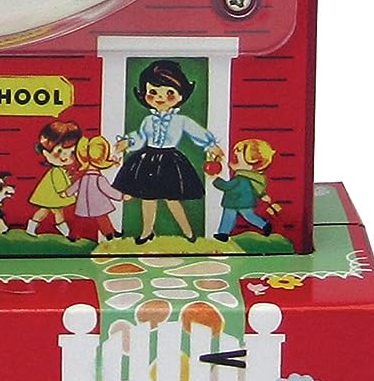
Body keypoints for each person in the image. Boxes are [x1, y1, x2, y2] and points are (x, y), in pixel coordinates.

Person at [113, 60, 223, 244]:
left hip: (170, 161)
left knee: (172, 199)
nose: (160, 98)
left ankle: (188, 231)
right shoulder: (148, 120)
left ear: (180, 95)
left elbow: (196, 132)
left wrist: (211, 145)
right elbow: (140, 136)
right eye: (153, 92)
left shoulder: (181, 120)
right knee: (148, 198)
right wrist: (128, 142)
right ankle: (147, 231)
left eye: (169, 93)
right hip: (148, 159)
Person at [26, 119, 82, 239]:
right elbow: (59, 185)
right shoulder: (56, 171)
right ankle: (64, 232)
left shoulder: (61, 170)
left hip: (54, 196)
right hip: (51, 195)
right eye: (60, 151)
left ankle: (64, 232)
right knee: (50, 211)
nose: (65, 156)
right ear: (46, 153)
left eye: (71, 152)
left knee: (54, 212)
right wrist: (65, 193)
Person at [212, 138, 277, 240]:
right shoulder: (251, 177)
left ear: (251, 164)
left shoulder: (240, 178)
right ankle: (223, 233)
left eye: (236, 159)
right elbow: (256, 188)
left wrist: (215, 179)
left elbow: (227, 186)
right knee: (232, 216)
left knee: (247, 216)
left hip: (240, 202)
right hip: (235, 201)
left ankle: (264, 225)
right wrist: (262, 195)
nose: (232, 161)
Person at [73, 135, 123, 242]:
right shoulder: (99, 179)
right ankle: (109, 234)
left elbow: (75, 186)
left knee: (90, 219)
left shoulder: (85, 177)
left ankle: (110, 232)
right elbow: (109, 191)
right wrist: (121, 196)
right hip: (95, 204)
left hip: (88, 204)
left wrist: (67, 193)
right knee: (100, 217)